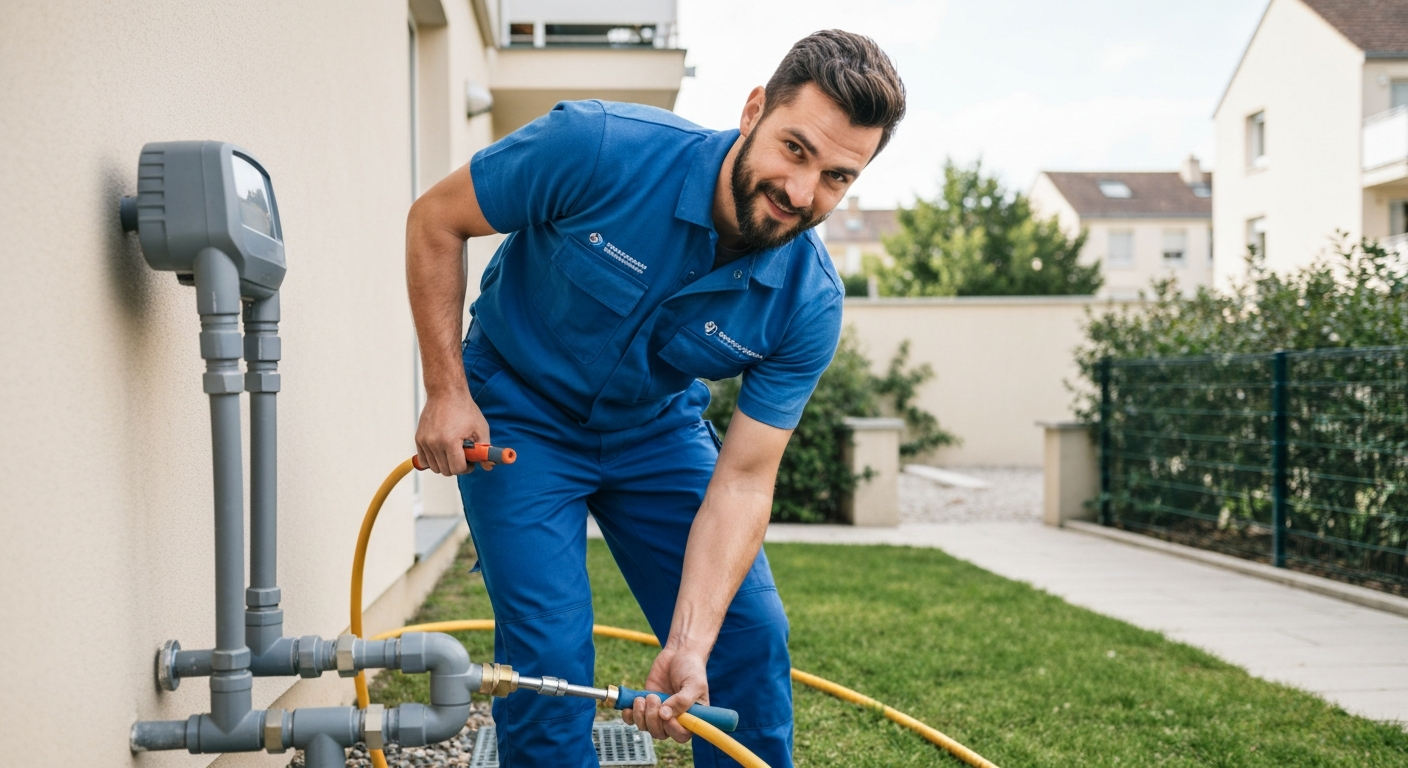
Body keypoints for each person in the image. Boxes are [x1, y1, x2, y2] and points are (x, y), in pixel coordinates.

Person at [405, 29, 905, 767]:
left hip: (654, 430)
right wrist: (447, 392)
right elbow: (435, 221)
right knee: (550, 658)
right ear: (754, 109)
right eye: (795, 150)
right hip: (518, 407)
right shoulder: (598, 147)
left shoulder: (808, 302)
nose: (802, 194)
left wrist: (688, 643)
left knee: (746, 636)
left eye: (837, 177)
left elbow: (742, 479)